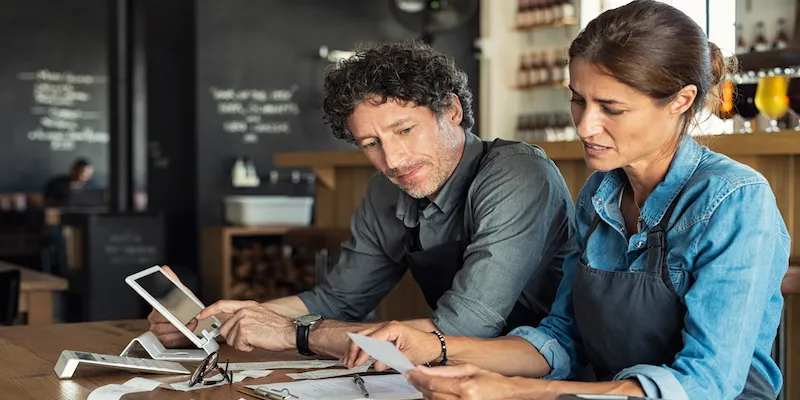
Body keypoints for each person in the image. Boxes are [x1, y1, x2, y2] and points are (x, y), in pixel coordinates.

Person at [341, 2, 790, 399]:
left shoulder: (735, 200)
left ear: (681, 100)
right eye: (578, 101)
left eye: (611, 108)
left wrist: (520, 392)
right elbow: (562, 337)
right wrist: (436, 346)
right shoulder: (600, 193)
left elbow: (707, 383)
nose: (586, 126)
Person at [149, 41, 577, 358]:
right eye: (370, 142)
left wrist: (294, 333)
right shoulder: (385, 191)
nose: (392, 159)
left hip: (549, 372)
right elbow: (338, 299)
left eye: (404, 130)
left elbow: (465, 328)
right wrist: (220, 319)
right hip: (455, 372)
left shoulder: (517, 174)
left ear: (451, 111)